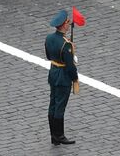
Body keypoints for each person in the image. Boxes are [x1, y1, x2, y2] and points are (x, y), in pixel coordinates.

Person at [46, 9, 79, 146]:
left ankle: (53, 136)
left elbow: (48, 56)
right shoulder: (66, 45)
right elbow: (70, 67)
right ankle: (59, 135)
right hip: (63, 77)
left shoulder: (49, 38)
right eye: (67, 22)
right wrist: (75, 78)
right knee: (60, 106)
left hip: (53, 73)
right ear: (63, 25)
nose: (68, 24)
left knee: (53, 104)